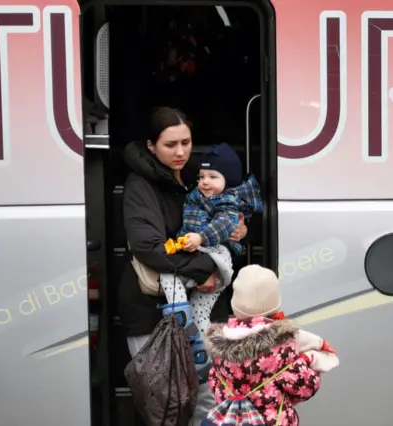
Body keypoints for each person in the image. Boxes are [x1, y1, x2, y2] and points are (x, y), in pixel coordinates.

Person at [118, 106, 247, 425]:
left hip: (202, 311)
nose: (180, 152)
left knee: (210, 402)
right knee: (168, 406)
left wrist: (240, 231)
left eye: (186, 143)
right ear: (151, 146)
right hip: (152, 314)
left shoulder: (198, 178)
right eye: (170, 145)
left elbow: (224, 221)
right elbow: (148, 246)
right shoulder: (140, 187)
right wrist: (204, 269)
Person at [160, 142, 263, 357]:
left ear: (229, 181)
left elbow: (223, 225)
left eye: (213, 177)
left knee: (178, 281)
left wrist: (200, 237)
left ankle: (180, 314)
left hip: (217, 256)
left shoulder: (229, 202)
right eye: (202, 176)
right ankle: (193, 334)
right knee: (195, 307)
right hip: (198, 252)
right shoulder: (197, 196)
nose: (205, 182)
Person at [204, 265, 327, 426]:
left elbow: (214, 385)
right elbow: (305, 388)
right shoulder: (282, 346)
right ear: (275, 305)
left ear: (235, 304)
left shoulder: (219, 345)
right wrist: (307, 361)